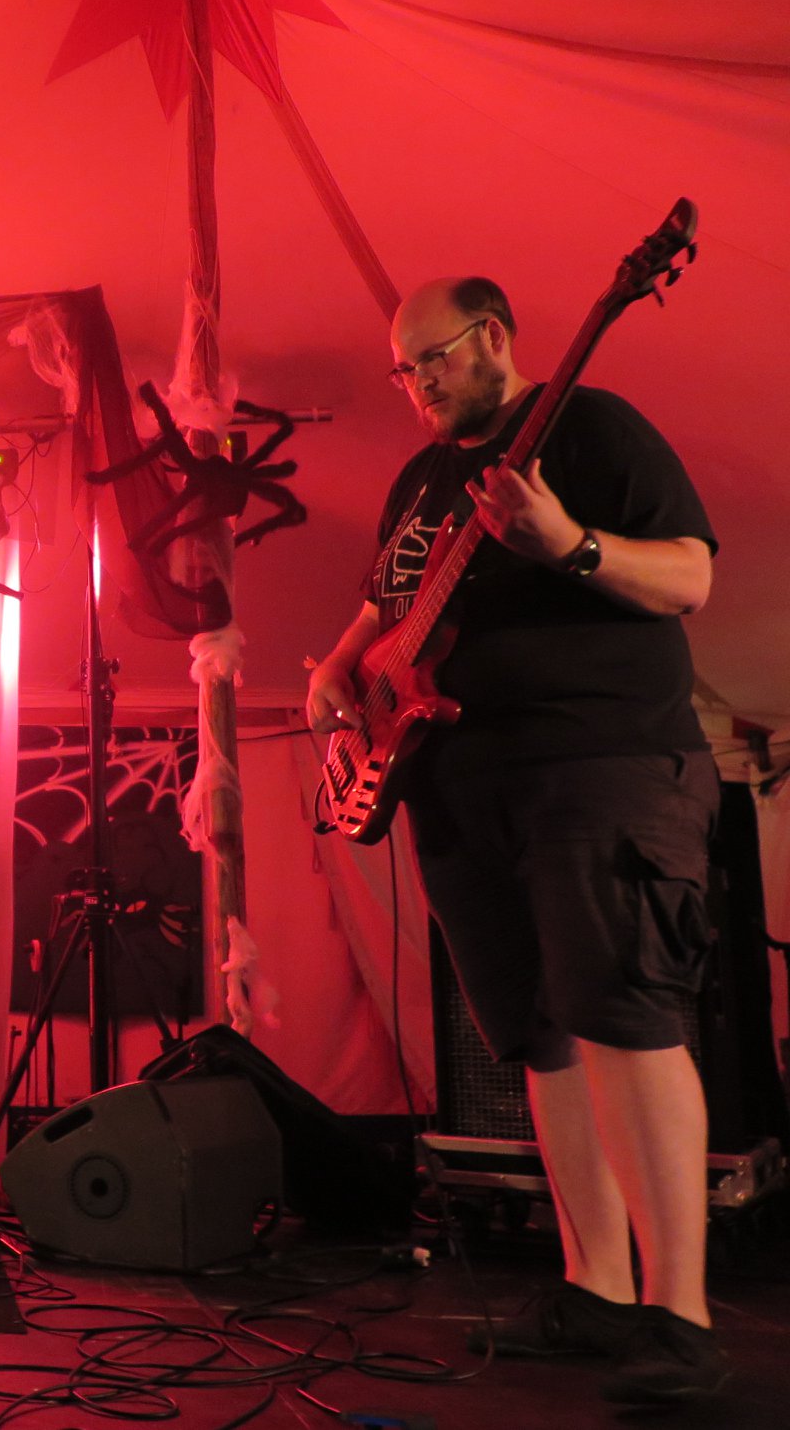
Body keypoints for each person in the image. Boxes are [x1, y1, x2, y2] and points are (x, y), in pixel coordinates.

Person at [307, 277, 725, 1405]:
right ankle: (595, 1288)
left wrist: (568, 545)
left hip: (599, 763)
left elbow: (689, 575)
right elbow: (386, 607)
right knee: (539, 1037)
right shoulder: (419, 479)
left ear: (492, 336)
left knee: (622, 1017)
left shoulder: (592, 427)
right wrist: (338, 667)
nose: (415, 384)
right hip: (457, 783)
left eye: (432, 359)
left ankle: (679, 1317)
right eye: (402, 369)